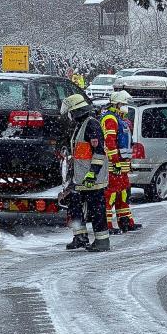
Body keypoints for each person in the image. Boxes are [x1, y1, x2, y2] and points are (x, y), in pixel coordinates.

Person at [60, 94, 111, 252]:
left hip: (92, 179)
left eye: (70, 112)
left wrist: (92, 174)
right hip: (80, 179)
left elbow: (99, 152)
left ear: (76, 111)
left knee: (97, 210)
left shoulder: (91, 125)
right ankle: (80, 237)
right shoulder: (80, 125)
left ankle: (102, 241)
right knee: (74, 207)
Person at [100, 90, 141, 234]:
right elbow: (109, 142)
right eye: (123, 104)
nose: (126, 106)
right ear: (116, 104)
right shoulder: (110, 119)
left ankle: (126, 222)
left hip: (122, 164)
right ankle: (107, 225)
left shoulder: (121, 119)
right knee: (110, 194)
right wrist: (115, 161)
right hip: (114, 165)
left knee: (123, 194)